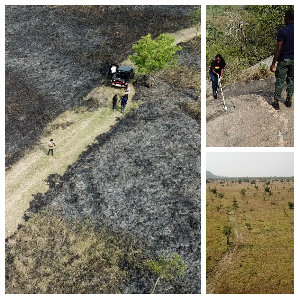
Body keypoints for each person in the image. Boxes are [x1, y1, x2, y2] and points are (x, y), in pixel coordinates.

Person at [270, 10, 294, 110]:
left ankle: (276, 102)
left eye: (285, 17)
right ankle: (289, 100)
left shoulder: (283, 31)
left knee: (280, 81)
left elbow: (279, 49)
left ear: (287, 18)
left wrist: (273, 63)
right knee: (292, 80)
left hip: (284, 60)